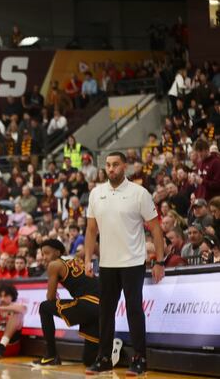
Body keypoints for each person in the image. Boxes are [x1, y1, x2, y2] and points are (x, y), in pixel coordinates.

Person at [84, 152, 165, 376]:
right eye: (108, 165)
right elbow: (91, 230)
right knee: (106, 312)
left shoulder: (139, 193)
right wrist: (88, 259)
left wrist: (159, 260)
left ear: (125, 166)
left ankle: (139, 359)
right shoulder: (96, 193)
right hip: (107, 263)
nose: (111, 169)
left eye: (116, 165)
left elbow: (156, 229)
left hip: (133, 262)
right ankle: (104, 358)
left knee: (134, 310)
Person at [34, 239, 123, 368]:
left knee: (44, 307)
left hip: (89, 303)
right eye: (42, 254)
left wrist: (53, 293)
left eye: (47, 253)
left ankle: (51, 355)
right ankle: (109, 348)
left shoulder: (54, 265)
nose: (44, 257)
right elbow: (94, 245)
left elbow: (50, 298)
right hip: (105, 304)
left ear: (58, 252)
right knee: (88, 360)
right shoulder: (75, 258)